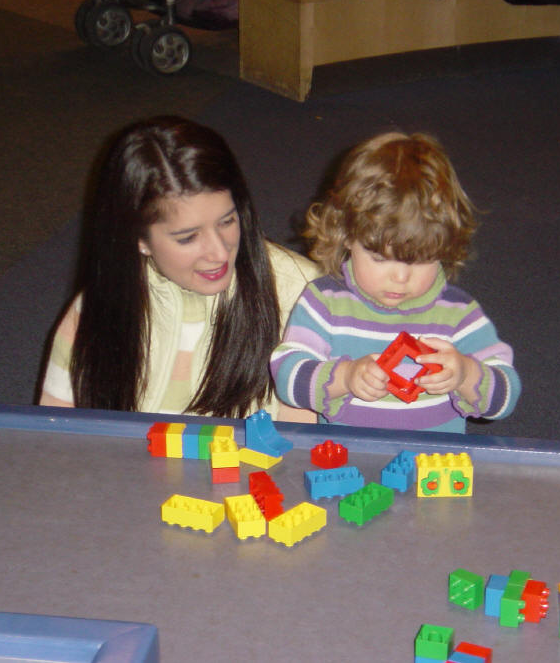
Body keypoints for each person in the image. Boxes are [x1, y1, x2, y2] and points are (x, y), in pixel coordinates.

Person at [39, 116, 319, 421]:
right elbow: (56, 427)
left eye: (227, 221)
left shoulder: (305, 295)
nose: (219, 252)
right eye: (188, 237)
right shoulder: (98, 305)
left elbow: (305, 439)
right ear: (139, 239)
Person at [270, 131, 520, 433]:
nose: (400, 278)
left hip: (432, 458)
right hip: (346, 454)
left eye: (420, 259)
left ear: (444, 247)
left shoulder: (458, 313)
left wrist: (466, 375)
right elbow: (287, 376)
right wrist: (345, 377)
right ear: (346, 235)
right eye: (379, 258)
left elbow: (506, 396)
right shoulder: (324, 302)